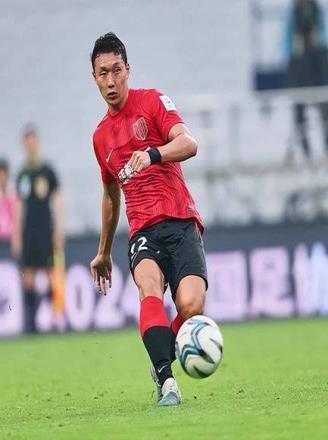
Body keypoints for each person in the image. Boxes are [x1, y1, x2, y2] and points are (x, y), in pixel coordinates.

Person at [89, 33, 207, 407]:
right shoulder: (100, 137)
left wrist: (153, 154)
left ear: (128, 70)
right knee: (149, 286)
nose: (111, 81)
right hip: (143, 231)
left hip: (181, 220)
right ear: (94, 78)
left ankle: (160, 357)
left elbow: (189, 143)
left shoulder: (153, 101)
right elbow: (111, 196)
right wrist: (103, 251)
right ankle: (167, 381)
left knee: (191, 306)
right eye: (103, 73)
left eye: (116, 70)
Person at [12, 125, 64, 333]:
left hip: (46, 231)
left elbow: (58, 200)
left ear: (37, 143)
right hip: (29, 232)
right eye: (27, 142)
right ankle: (32, 324)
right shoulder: (22, 174)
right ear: (24, 145)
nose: (30, 146)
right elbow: (18, 206)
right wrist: (17, 234)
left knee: (51, 273)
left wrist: (59, 229)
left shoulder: (47, 171)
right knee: (29, 276)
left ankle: (54, 319)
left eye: (33, 141)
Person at [285, 0, 328, 158]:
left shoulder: (317, 11)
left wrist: (319, 41)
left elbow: (326, 38)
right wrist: (295, 48)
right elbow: (286, 45)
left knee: (325, 105)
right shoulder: (292, 14)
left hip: (317, 69)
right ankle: (304, 145)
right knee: (299, 109)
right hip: (300, 70)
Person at [0, 159, 16, 244]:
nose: (1, 178)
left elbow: (16, 218)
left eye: (3, 175)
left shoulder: (13, 195)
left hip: (10, 239)